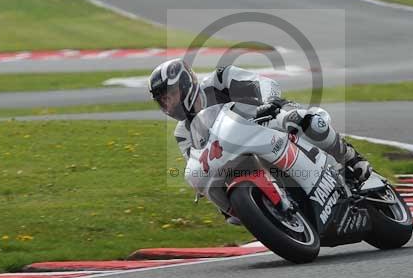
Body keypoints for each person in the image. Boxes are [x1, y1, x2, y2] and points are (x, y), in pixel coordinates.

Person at [148, 59, 373, 222]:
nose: (168, 105)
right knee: (233, 215)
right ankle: (271, 208)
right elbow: (195, 160)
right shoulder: (183, 133)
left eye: (171, 95)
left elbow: (263, 84)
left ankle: (351, 158)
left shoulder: (219, 80)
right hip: (237, 154)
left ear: (185, 85)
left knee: (304, 120)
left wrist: (269, 103)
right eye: (163, 101)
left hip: (267, 119)